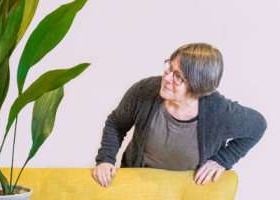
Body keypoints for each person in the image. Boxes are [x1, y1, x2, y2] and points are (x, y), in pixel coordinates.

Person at [92, 43, 266, 187]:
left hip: (185, 193)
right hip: (137, 184)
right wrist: (105, 159)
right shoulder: (144, 91)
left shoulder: (220, 112)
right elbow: (116, 123)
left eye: (178, 77)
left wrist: (223, 159)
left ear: (198, 87)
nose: (166, 78)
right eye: (169, 68)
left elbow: (258, 125)